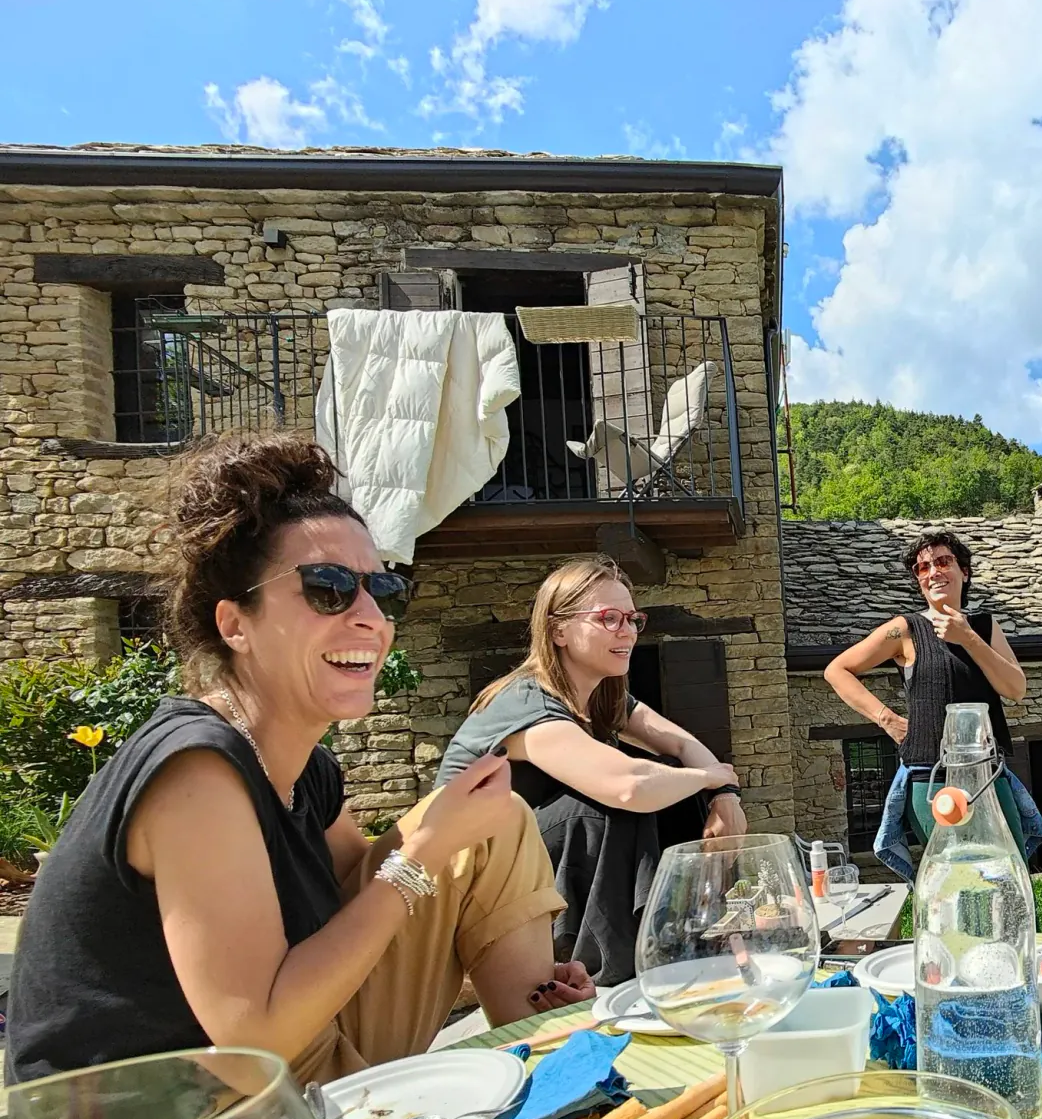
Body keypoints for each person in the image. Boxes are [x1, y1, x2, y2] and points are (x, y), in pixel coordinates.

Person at [5, 436, 585, 1085]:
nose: (372, 618)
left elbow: (365, 895)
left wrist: (457, 875)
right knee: (446, 838)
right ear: (235, 624)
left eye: (384, 588)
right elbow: (257, 1033)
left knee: (495, 820)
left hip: (282, 1060)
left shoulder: (303, 768)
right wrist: (422, 855)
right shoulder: (197, 775)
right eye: (329, 587)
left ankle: (542, 1051)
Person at [437, 555, 745, 985]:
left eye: (633, 619)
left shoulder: (600, 696)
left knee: (672, 775)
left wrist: (722, 797)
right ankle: (610, 970)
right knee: (605, 805)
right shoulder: (527, 702)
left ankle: (688, 933)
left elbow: (680, 743)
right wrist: (715, 777)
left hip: (527, 870)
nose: (628, 632)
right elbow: (626, 787)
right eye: (609, 618)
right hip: (472, 886)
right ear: (558, 629)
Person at [824, 529, 1042, 879]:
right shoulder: (905, 630)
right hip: (929, 781)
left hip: (989, 777)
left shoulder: (985, 627)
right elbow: (837, 670)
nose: (933, 572)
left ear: (965, 571)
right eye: (922, 567)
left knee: (1008, 875)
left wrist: (968, 638)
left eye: (943, 562)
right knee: (952, 883)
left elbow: (1015, 687)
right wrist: (886, 718)